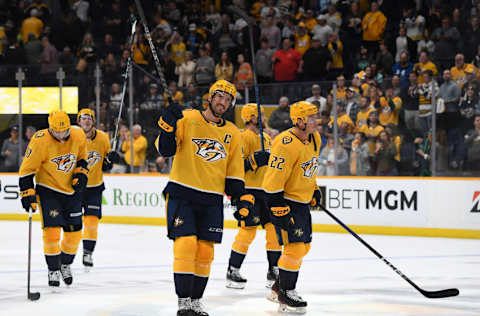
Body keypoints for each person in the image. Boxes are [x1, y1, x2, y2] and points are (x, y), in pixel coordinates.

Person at [155, 79, 255, 316]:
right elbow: (165, 149)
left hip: (211, 199)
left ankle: (196, 300)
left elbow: (233, 172)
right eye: (219, 96)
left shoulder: (232, 132)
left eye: (228, 99)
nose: (223, 102)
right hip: (182, 192)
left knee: (205, 252)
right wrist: (167, 125)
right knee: (186, 245)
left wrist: (240, 198)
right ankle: (183, 302)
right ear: (209, 98)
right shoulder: (187, 118)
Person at [19, 110, 88, 287]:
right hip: (48, 189)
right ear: (50, 128)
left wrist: (81, 174)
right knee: (52, 231)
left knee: (74, 234)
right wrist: (27, 192)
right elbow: (27, 170)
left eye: (63, 131)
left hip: (71, 190)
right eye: (56, 132)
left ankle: (64, 264)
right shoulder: (40, 139)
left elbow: (82, 158)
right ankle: (53, 269)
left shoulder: (78, 134)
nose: (60, 135)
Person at [263, 101, 321, 313]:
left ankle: (279, 287)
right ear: (299, 120)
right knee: (294, 247)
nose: (316, 121)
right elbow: (273, 178)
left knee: (304, 246)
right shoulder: (285, 143)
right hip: (285, 201)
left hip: (302, 202)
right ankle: (287, 291)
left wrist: (313, 188)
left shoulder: (315, 138)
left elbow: (310, 166)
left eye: (316, 116)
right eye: (311, 117)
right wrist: (276, 204)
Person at [226, 104, 281, 290]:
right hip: (249, 190)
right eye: (259, 114)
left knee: (274, 230)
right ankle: (233, 269)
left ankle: (274, 271)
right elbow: (235, 167)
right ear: (249, 117)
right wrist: (253, 161)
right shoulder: (243, 137)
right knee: (248, 231)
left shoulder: (266, 138)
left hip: (266, 191)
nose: (263, 117)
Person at [76, 109, 119, 269]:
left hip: (94, 188)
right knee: (71, 223)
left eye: (89, 119)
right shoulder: (72, 136)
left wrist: (111, 160)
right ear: (78, 121)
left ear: (93, 121)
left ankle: (88, 252)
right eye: (83, 118)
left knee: (91, 222)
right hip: (75, 187)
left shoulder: (103, 137)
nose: (86, 121)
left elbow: (106, 163)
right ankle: (66, 252)